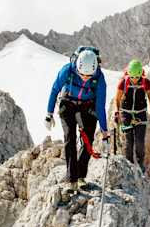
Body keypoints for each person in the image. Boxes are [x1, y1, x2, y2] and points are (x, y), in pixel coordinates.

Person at [45, 46, 110, 189]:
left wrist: (105, 133)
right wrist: (49, 114)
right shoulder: (67, 70)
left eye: (89, 76)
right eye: (82, 75)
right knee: (70, 137)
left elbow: (100, 106)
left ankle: (80, 175)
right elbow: (55, 89)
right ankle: (71, 180)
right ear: (77, 67)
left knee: (88, 139)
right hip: (67, 103)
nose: (85, 78)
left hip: (88, 105)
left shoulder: (99, 78)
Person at [113, 59, 150, 170]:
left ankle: (140, 162)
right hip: (126, 114)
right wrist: (117, 112)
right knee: (129, 142)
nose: (134, 79)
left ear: (141, 74)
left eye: (137, 77)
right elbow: (117, 99)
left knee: (140, 142)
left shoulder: (146, 83)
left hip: (140, 114)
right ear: (128, 74)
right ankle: (130, 165)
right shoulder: (123, 83)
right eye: (132, 77)